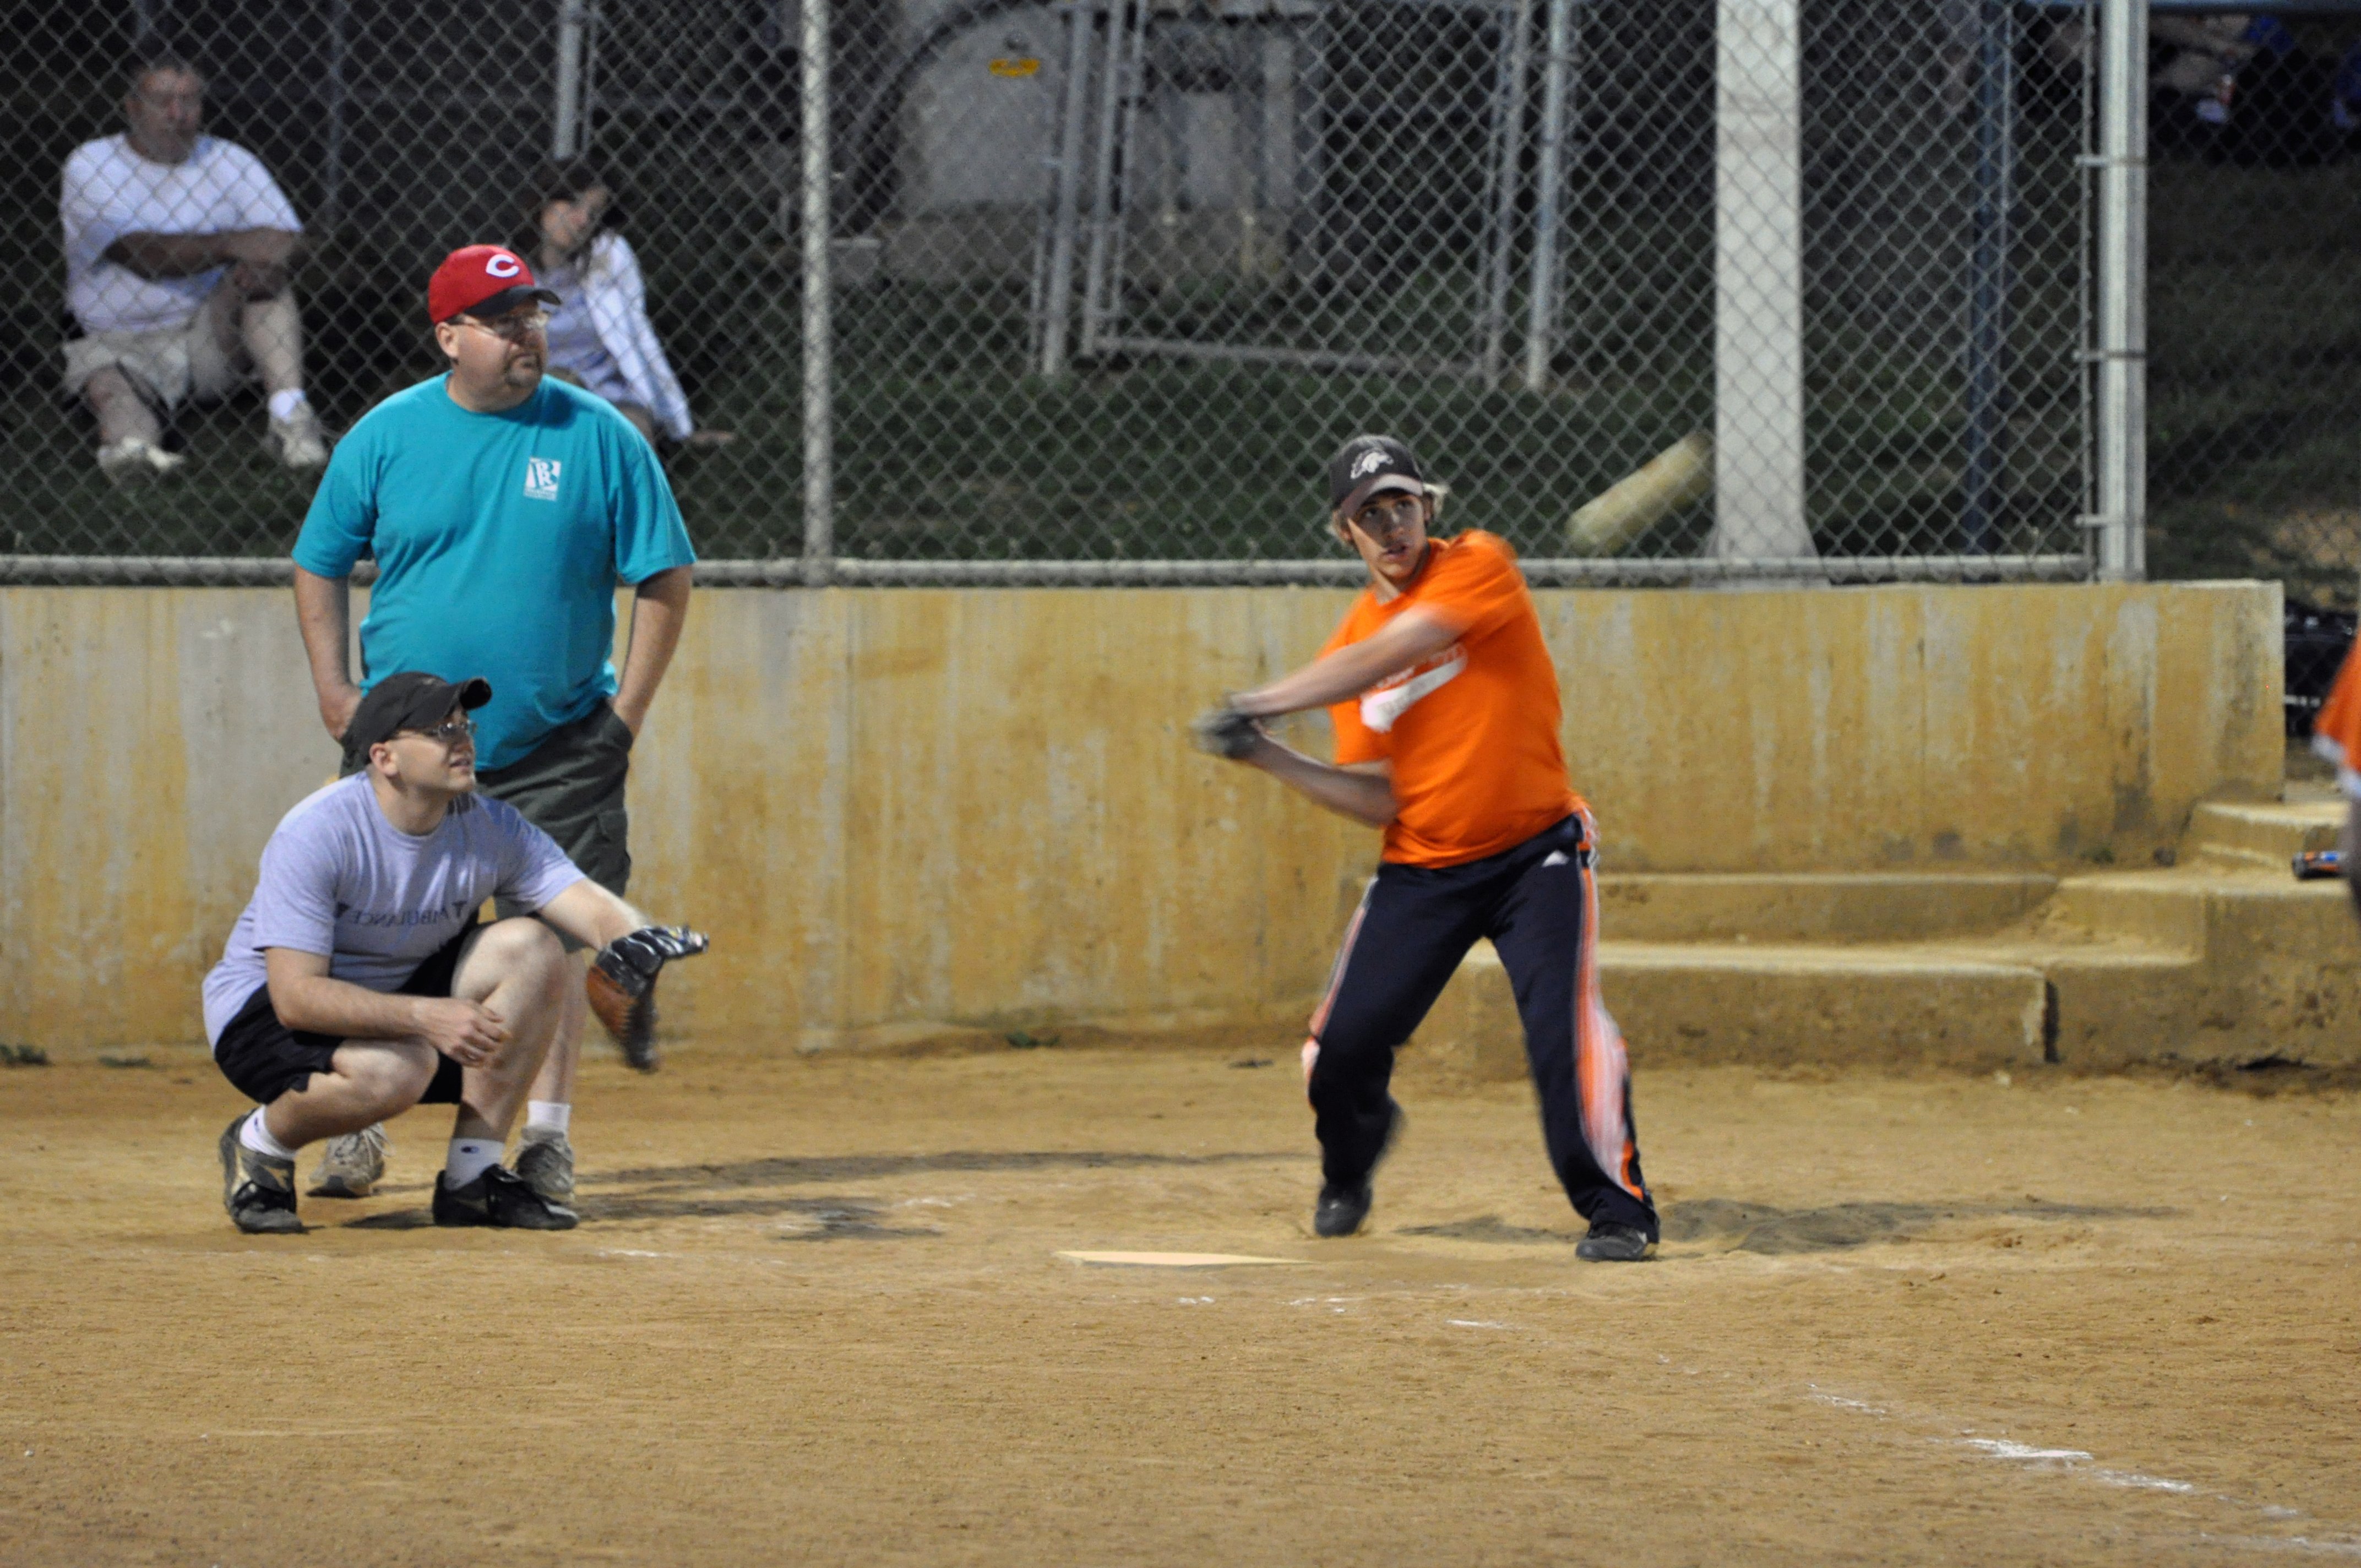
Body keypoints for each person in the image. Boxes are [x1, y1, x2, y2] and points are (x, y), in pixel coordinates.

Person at [291, 243, 697, 1208]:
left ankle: (544, 1140)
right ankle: (359, 1123)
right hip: (410, 747)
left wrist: (625, 717)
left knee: (550, 943)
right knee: (373, 939)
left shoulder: (598, 434)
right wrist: (335, 691)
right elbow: (318, 562)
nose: (527, 336)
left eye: (534, 317)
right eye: (503, 321)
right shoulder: (386, 435)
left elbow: (665, 576)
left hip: (560, 744)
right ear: (449, 337)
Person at [1190, 434, 1659, 1262]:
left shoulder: (1476, 564)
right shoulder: (1348, 649)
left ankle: (1618, 1211)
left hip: (1536, 854)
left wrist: (1260, 701)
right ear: (1344, 533)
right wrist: (1268, 754)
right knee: (1338, 1051)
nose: (1391, 526)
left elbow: (1404, 644)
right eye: (1369, 515)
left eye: (1403, 505)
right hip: (1424, 868)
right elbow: (1382, 797)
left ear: (1428, 509)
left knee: (1565, 1030)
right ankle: (1350, 1166)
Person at [207, 672, 706, 1234]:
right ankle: (261, 1145)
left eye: (464, 726)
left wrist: (632, 939)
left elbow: (582, 900)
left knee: (535, 946)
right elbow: (296, 998)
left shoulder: (489, 825)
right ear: (385, 757)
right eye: (440, 731)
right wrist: (425, 1016)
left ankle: (473, 1176)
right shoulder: (318, 831)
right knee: (397, 1070)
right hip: (264, 1015)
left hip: (397, 996)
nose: (463, 740)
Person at [59, 55, 326, 484]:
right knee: (114, 394)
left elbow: (290, 240)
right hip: (116, 340)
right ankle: (134, 454)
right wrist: (234, 244)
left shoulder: (230, 160)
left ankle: (291, 423)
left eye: (189, 101)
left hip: (207, 334)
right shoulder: (92, 164)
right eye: (162, 101)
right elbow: (145, 256)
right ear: (132, 106)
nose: (177, 114)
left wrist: (264, 262)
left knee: (265, 278)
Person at [523, 160, 732, 449]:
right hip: (538, 390)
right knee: (560, 392)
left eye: (594, 213)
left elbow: (640, 335)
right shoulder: (504, 264)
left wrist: (680, 425)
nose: (582, 220)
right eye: (573, 204)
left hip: (608, 394)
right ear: (543, 203)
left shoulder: (609, 256)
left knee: (634, 440)